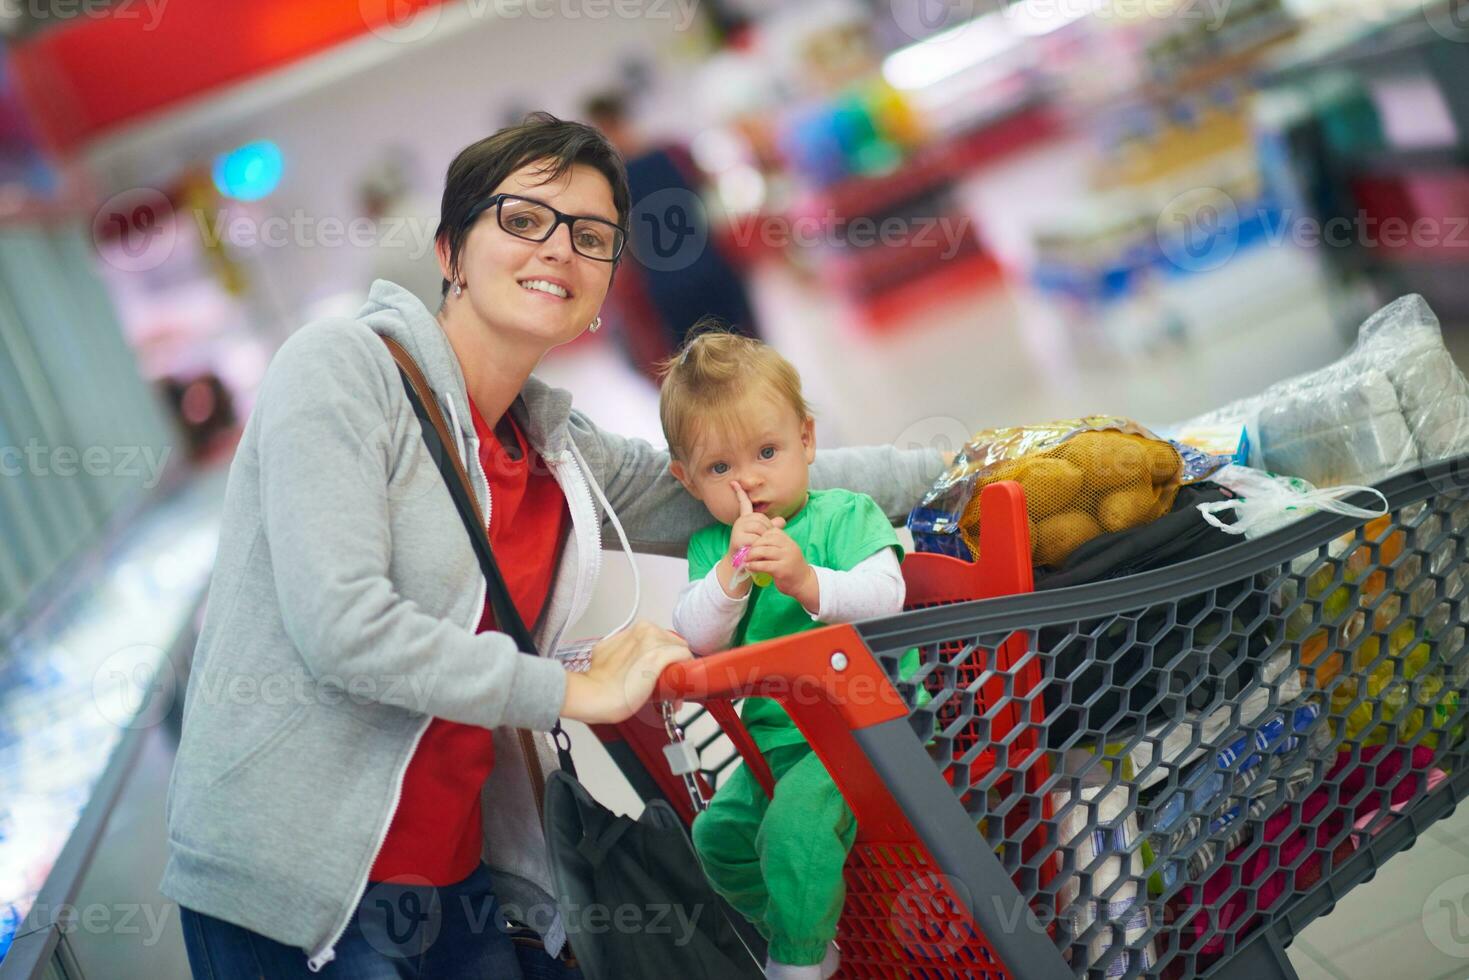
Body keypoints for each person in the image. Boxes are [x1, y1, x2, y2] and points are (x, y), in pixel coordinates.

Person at [160, 112, 949, 978]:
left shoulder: (554, 445)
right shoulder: (343, 369)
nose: (558, 251)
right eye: (523, 220)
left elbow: (750, 474)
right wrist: (574, 689)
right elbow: (342, 626)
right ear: (449, 251)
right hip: (299, 891)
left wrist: (960, 463)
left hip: (465, 879)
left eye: (592, 236)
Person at [664, 328, 910, 980]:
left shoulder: (842, 515)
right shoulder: (714, 549)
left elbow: (886, 596)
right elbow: (696, 637)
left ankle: (798, 965)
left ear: (805, 440)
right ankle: (804, 934)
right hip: (775, 742)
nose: (747, 479)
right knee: (717, 839)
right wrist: (731, 580)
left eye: (766, 451)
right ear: (685, 479)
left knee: (791, 832)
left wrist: (805, 580)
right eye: (719, 469)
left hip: (867, 729)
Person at [585, 92, 760, 381]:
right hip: (700, 272)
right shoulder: (670, 153)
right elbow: (711, 200)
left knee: (709, 372)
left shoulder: (613, 178)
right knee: (740, 358)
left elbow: (618, 242)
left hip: (677, 282)